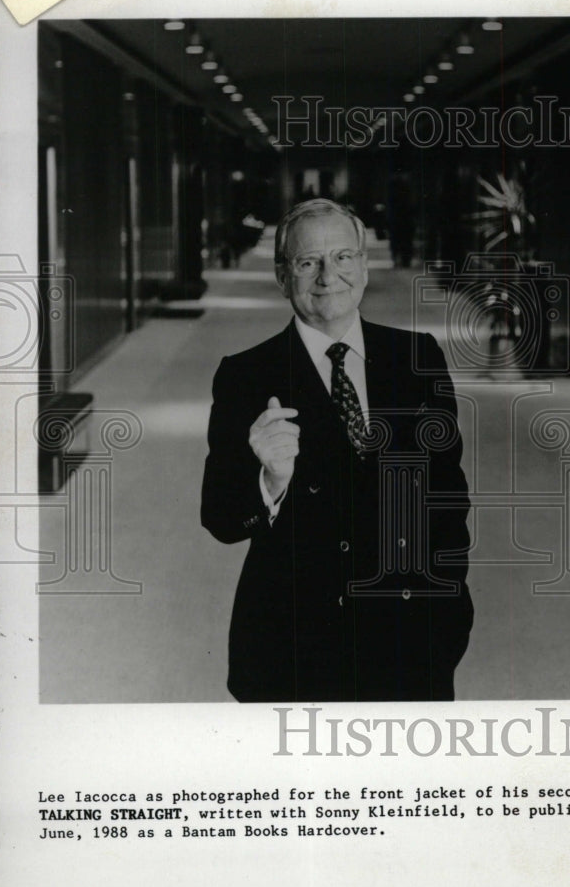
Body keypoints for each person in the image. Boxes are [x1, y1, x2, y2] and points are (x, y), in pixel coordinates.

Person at [201, 198, 473, 702]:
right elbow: (220, 518)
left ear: (364, 266)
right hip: (292, 645)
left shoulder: (418, 358)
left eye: (344, 257)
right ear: (284, 276)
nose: (329, 276)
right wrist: (270, 481)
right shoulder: (245, 375)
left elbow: (448, 497)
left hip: (407, 639)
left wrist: (448, 611)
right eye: (308, 262)